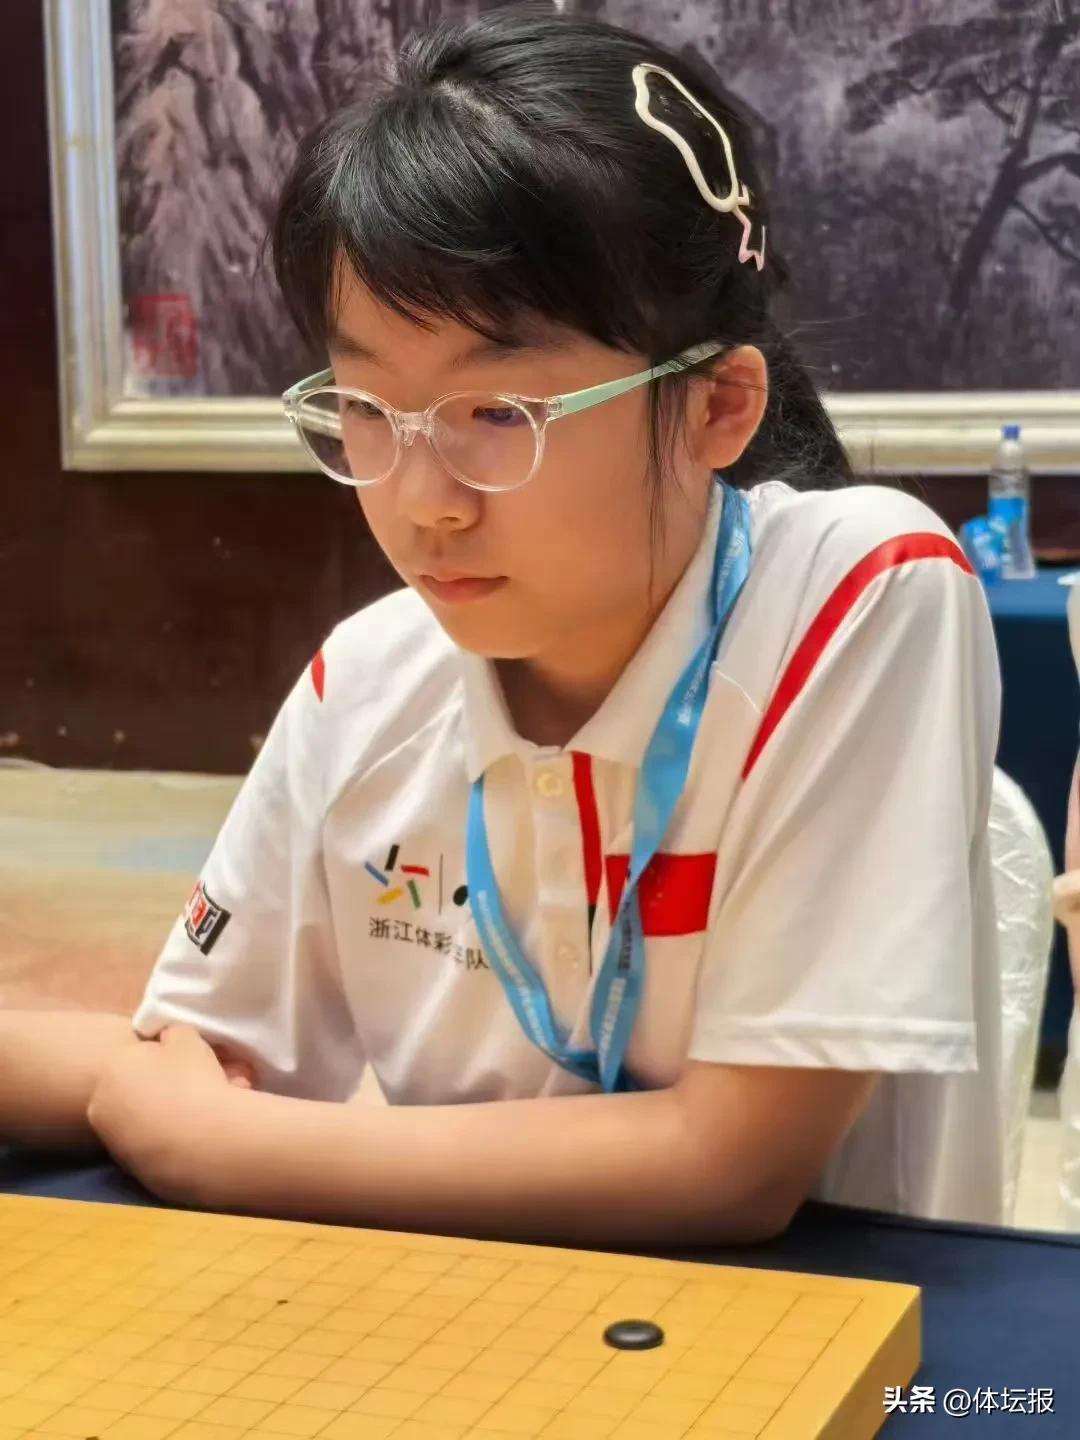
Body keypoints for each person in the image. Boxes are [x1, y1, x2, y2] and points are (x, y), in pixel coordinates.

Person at [0, 8, 1003, 1243]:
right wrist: (146, 1094)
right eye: (367, 409)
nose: (425, 502)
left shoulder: (861, 592)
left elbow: (733, 1165)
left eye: (499, 416)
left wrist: (226, 1148)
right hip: (474, 1326)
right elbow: (187, 1067)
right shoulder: (368, 682)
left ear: (716, 407)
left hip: (836, 1335)